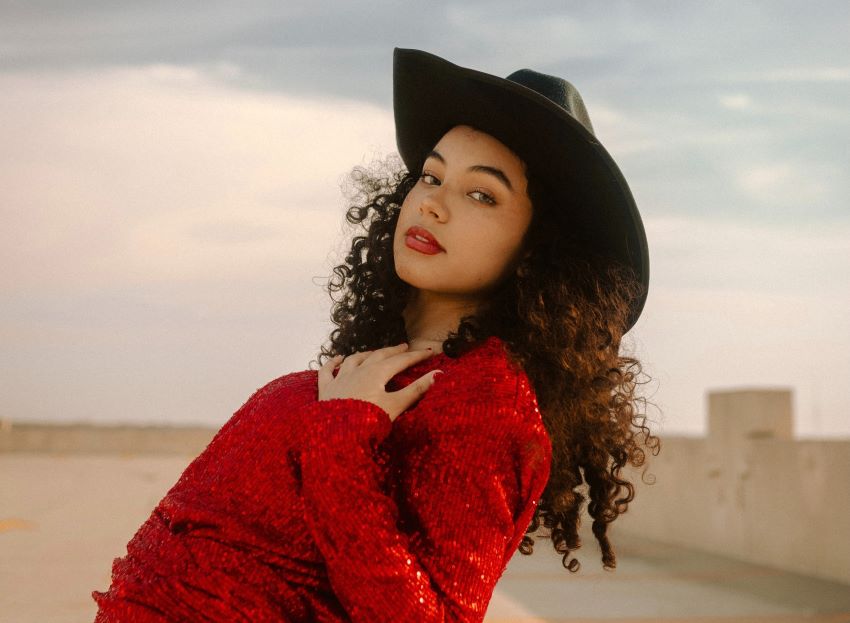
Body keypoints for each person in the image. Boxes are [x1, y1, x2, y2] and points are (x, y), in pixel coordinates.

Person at [91, 48, 659, 622]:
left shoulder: (485, 402)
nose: (433, 204)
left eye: (481, 194)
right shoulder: (389, 364)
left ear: (538, 252)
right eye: (431, 176)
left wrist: (340, 439)